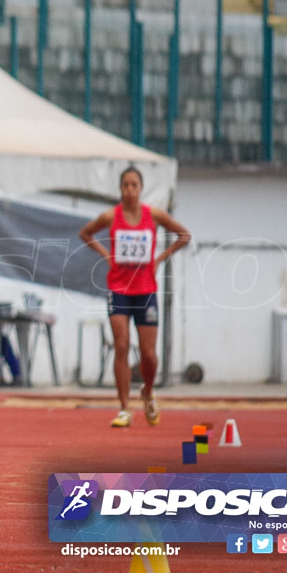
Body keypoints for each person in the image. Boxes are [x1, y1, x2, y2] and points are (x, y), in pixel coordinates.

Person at [78, 166, 191, 428]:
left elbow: (184, 235)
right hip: (119, 289)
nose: (129, 190)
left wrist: (160, 259)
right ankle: (124, 408)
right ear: (120, 189)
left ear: (141, 189)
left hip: (145, 290)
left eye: (134, 185)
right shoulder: (111, 216)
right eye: (125, 185)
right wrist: (106, 254)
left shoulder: (154, 215)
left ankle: (148, 390)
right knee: (121, 346)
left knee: (149, 355)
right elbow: (85, 233)